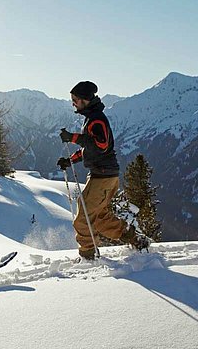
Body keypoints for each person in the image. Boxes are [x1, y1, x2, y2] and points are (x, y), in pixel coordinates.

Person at [57, 81, 149, 260]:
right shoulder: (92, 118)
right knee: (99, 217)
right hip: (103, 175)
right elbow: (90, 148)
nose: (73, 103)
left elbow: (101, 145)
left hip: (103, 176)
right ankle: (136, 239)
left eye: (75, 99)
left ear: (84, 100)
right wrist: (70, 160)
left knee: (83, 219)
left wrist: (73, 137)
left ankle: (88, 257)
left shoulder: (96, 119)